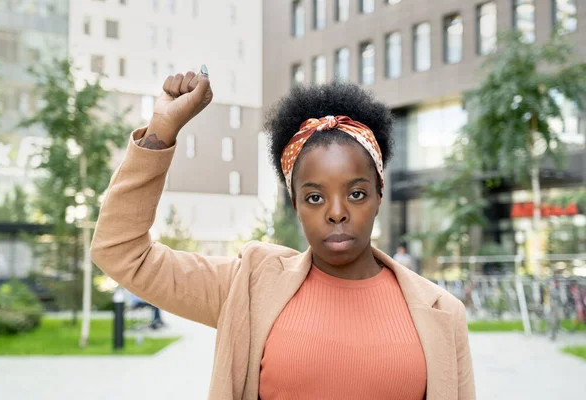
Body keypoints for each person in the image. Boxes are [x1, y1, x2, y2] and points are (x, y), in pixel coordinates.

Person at [91, 66, 475, 399]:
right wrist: (162, 128)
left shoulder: (441, 314)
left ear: (379, 195)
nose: (337, 213)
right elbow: (121, 251)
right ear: (295, 204)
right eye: (314, 198)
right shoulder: (250, 286)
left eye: (356, 193)